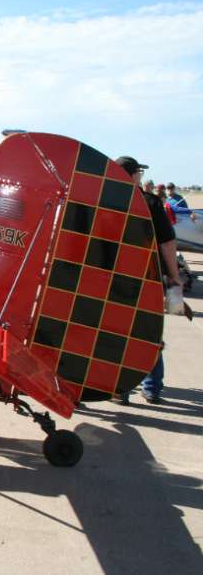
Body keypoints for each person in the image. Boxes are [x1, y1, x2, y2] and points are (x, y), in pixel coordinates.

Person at [115, 156, 181, 404]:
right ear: (133, 175)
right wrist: (174, 276)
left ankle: (117, 387)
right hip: (147, 277)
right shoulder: (150, 202)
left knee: (114, 332)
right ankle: (151, 387)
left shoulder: (102, 199)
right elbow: (167, 242)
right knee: (149, 332)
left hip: (112, 279)